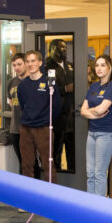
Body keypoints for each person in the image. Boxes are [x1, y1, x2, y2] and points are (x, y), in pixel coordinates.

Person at [17, 50, 62, 185]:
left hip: (43, 129)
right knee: (27, 165)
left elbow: (57, 105)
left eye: (33, 61)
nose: (31, 64)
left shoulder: (49, 82)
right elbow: (23, 105)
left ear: (40, 62)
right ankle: (28, 198)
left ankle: (51, 198)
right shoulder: (23, 85)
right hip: (26, 129)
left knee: (47, 165)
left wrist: (45, 121)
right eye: (28, 61)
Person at [80, 54, 112, 197]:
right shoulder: (93, 86)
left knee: (99, 173)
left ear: (109, 68)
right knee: (90, 172)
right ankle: (90, 207)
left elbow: (101, 110)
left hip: (108, 134)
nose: (99, 68)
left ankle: (99, 210)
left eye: (103, 65)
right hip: (92, 133)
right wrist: (93, 112)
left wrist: (91, 111)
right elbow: (82, 111)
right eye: (97, 65)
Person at [46, 39, 75, 172]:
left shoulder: (70, 66)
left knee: (72, 149)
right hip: (58, 116)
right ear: (51, 49)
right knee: (57, 149)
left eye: (65, 48)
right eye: (60, 47)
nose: (64, 50)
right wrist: (65, 89)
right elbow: (50, 88)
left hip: (73, 114)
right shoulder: (48, 67)